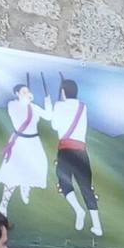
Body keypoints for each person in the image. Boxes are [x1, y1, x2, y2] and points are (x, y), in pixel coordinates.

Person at [50, 78, 102, 237]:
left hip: (65, 150)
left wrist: (54, 106)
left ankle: (79, 210)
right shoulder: (82, 107)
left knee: (64, 182)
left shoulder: (59, 106)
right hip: (81, 151)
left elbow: (54, 126)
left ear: (63, 91)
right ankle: (97, 226)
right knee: (86, 187)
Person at [0, 84, 51, 217]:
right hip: (19, 142)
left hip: (34, 142)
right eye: (24, 91)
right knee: (13, 173)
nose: (27, 93)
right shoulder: (13, 105)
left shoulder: (33, 107)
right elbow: (20, 116)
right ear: (17, 94)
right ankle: (4, 204)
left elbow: (49, 116)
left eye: (28, 91)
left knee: (38, 166)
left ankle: (25, 187)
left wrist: (47, 102)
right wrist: (27, 102)